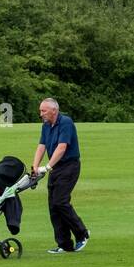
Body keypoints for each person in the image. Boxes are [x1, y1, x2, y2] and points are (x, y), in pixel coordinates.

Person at [31, 98, 89, 253]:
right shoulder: (45, 125)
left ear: (54, 111)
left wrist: (48, 166)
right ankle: (64, 244)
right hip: (56, 168)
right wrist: (35, 166)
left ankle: (82, 234)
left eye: (44, 111)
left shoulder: (66, 123)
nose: (41, 114)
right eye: (40, 110)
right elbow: (41, 146)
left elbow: (62, 147)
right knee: (53, 206)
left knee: (60, 202)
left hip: (69, 166)